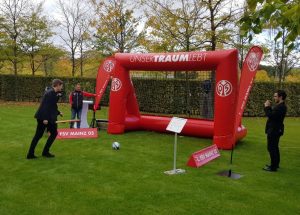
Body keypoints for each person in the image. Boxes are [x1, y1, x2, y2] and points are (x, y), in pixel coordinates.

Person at [27, 79, 64, 159]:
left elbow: (52, 106)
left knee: (54, 133)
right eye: (61, 85)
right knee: (38, 135)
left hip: (50, 117)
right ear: (57, 85)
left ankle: (45, 152)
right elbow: (45, 106)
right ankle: (30, 154)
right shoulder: (49, 93)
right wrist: (45, 119)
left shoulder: (55, 93)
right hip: (43, 118)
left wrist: (58, 112)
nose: (61, 87)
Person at [263, 89, 287, 172]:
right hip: (275, 129)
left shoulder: (281, 107)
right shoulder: (280, 106)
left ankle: (273, 167)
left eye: (275, 96)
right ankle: (275, 164)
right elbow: (273, 115)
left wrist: (267, 106)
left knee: (271, 148)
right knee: (274, 147)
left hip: (274, 130)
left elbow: (271, 115)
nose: (274, 98)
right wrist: (269, 107)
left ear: (280, 97)